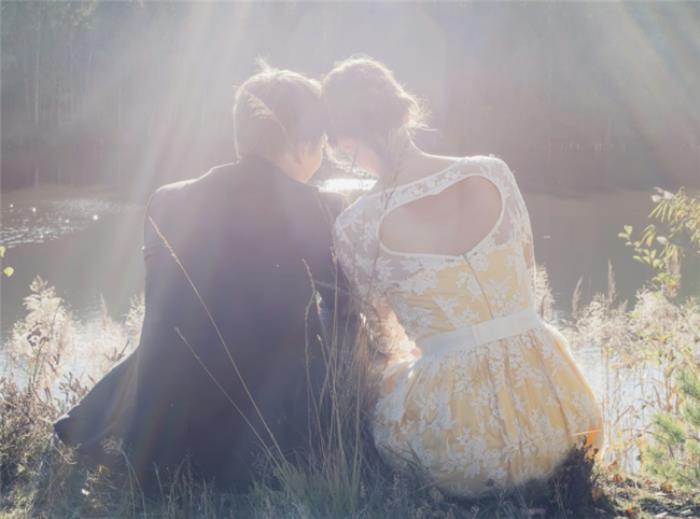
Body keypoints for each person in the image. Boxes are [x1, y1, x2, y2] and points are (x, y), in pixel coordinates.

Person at [54, 62, 349, 489]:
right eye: (320, 144)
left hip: (163, 430)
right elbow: (344, 306)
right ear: (304, 143)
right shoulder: (320, 207)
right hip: (259, 434)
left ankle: (94, 417)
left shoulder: (166, 199)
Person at [322, 56, 603, 497]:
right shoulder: (491, 172)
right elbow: (526, 283)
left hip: (461, 450)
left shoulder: (356, 224)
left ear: (344, 141)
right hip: (564, 419)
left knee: (387, 382)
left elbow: (385, 335)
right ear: (405, 112)